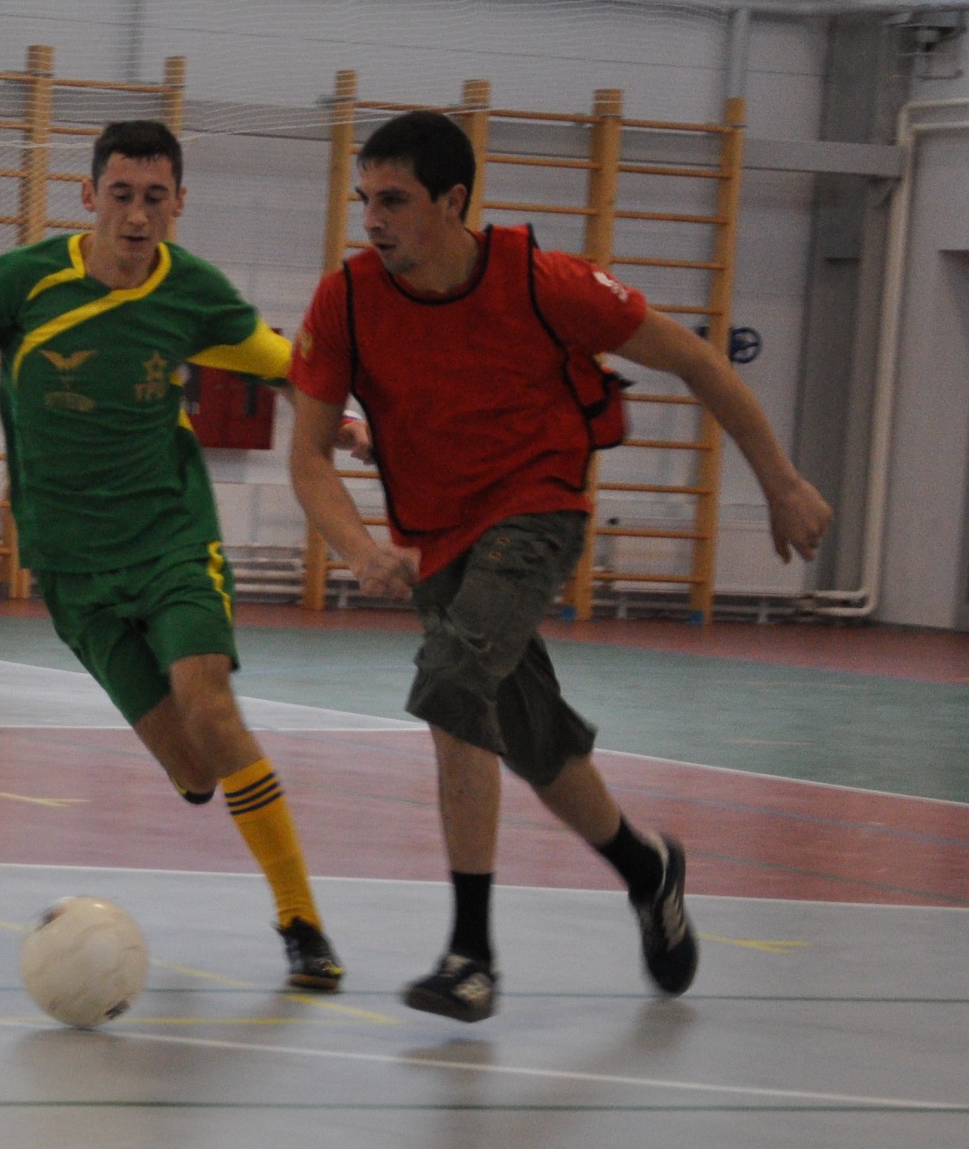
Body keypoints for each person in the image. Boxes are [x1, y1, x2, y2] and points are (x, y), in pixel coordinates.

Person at [286, 110, 833, 1022]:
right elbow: (307, 457)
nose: (373, 220)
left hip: (536, 510)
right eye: (364, 200)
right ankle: (647, 868)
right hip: (439, 536)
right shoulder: (345, 300)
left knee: (454, 684)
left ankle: (471, 955)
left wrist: (779, 480)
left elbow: (697, 360)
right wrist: (359, 548)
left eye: (395, 200)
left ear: (453, 201)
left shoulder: (543, 283)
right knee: (536, 743)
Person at [0, 120, 349, 994]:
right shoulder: (27, 281)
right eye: (121, 195)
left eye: (154, 198)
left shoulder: (192, 290)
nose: (137, 215)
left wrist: (339, 419)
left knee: (208, 699)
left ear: (179, 203)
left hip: (169, 535)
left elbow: (282, 363)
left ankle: (301, 921)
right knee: (194, 765)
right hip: (71, 563)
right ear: (89, 196)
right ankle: (201, 770)